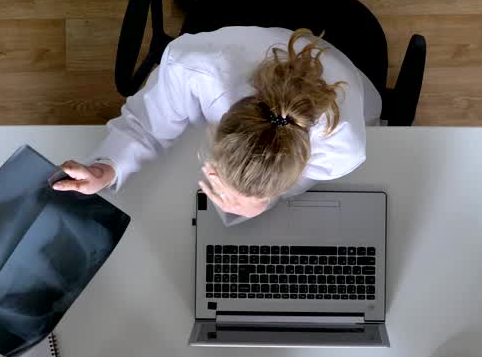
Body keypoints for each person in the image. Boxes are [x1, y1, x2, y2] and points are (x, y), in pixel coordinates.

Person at [53, 27, 380, 223]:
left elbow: (296, 178)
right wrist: (108, 167)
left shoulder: (343, 147)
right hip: (248, 43)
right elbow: (147, 122)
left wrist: (262, 204)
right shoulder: (194, 68)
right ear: (220, 127)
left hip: (345, 72)